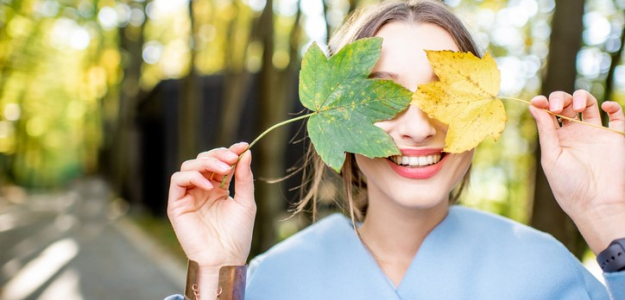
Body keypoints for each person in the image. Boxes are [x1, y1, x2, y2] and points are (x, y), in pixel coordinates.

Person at [164, 1, 625, 299]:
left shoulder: (546, 273)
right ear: (340, 118)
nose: (418, 128)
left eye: (441, 94)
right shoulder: (260, 284)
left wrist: (611, 221)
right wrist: (215, 269)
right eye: (385, 97)